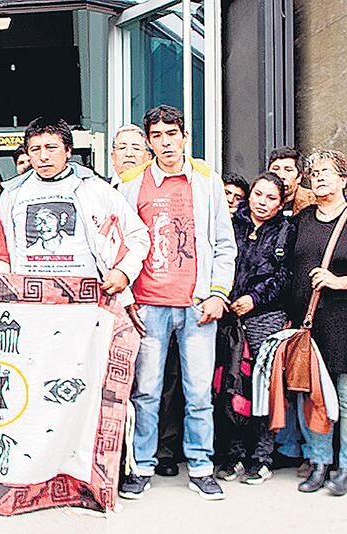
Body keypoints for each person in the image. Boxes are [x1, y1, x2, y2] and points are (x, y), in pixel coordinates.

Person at [118, 104, 237, 501]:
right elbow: (120, 244)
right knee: (146, 392)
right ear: (149, 142)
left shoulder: (206, 181)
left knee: (199, 393)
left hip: (197, 304)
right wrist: (128, 297)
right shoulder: (131, 185)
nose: (166, 143)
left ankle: (201, 466)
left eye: (173, 134)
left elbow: (225, 244)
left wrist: (218, 293)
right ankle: (142, 465)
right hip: (148, 304)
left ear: (185, 137)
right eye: (158, 136)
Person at [0, 117, 148, 285]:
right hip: (28, 296)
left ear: (68, 150)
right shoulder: (12, 194)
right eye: (35, 149)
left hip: (86, 296)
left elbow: (137, 234)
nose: (43, 156)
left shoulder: (94, 188)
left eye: (51, 148)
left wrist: (124, 272)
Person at [215, 172, 294, 485]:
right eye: (258, 194)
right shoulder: (232, 224)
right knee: (231, 383)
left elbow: (284, 276)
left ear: (280, 203)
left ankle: (261, 457)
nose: (262, 202)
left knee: (262, 387)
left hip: (265, 317)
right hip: (231, 316)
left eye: (271, 198)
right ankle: (232, 453)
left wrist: (254, 298)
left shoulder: (286, 230)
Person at [289, 149, 347, 496]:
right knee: (313, 395)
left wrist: (338, 281)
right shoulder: (303, 220)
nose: (318, 178)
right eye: (314, 173)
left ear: (344, 179)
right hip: (310, 323)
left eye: (326, 172)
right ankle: (318, 462)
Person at [268, 146, 314, 217]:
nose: (281, 175)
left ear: (299, 177)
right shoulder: (258, 201)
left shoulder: (313, 201)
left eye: (288, 170)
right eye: (276, 169)